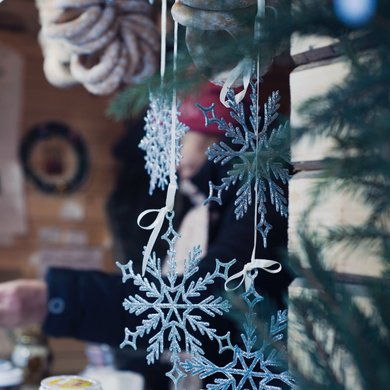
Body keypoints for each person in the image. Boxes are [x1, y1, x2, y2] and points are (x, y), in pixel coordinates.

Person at [0, 64, 293, 387]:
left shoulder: (260, 198)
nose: (174, 160)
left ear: (215, 133)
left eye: (180, 140)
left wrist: (55, 299)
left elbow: (203, 303)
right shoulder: (204, 209)